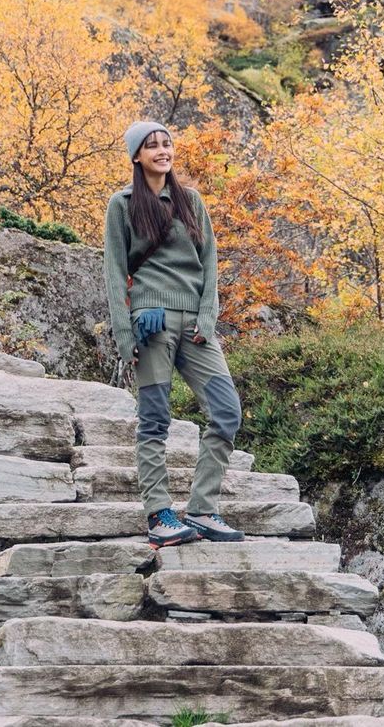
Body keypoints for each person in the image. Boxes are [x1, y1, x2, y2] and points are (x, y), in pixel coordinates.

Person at [102, 119, 245, 548]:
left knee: (227, 412)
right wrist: (124, 335)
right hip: (153, 325)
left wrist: (208, 316)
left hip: (196, 327)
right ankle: (159, 514)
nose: (162, 151)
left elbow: (210, 261)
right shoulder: (122, 204)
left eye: (166, 143)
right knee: (154, 419)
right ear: (136, 156)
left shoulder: (191, 201)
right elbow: (113, 271)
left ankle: (201, 509)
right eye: (152, 146)